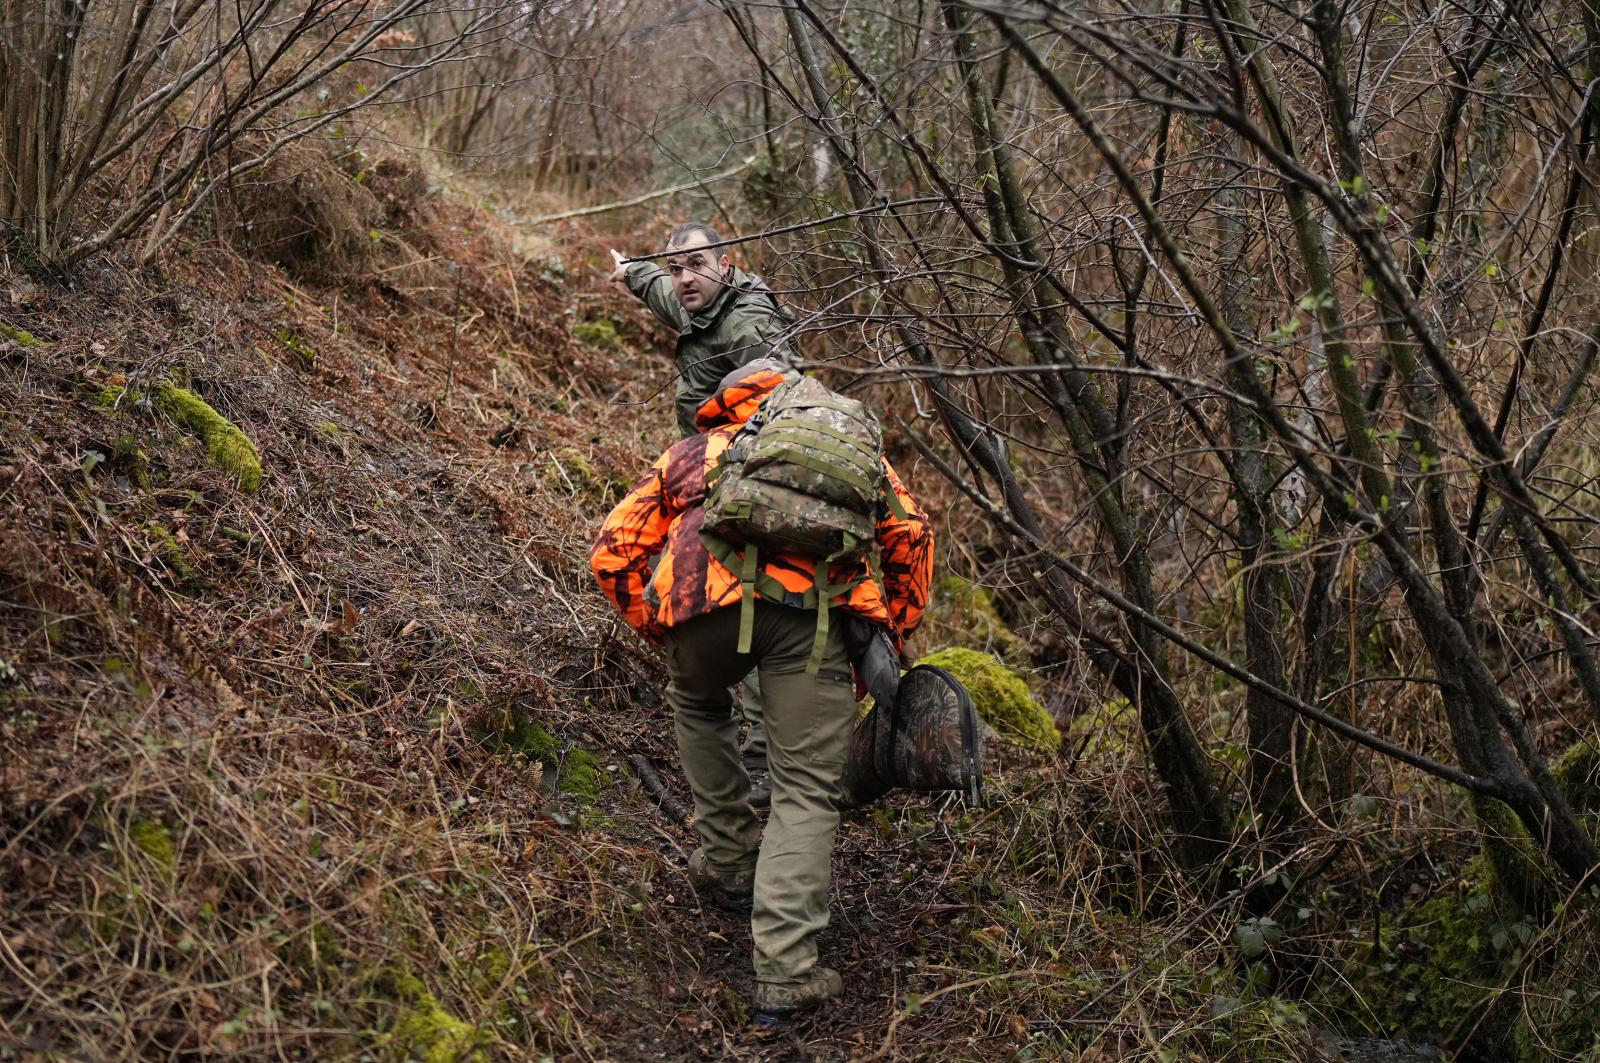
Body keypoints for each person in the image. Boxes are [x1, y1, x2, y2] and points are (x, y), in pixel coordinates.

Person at [589, 360, 933, 1021]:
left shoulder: (695, 451)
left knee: (698, 701)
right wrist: (888, 638)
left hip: (700, 606)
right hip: (816, 619)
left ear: (727, 402)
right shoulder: (850, 452)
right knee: (806, 786)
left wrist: (660, 625)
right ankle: (784, 972)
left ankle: (727, 861)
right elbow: (911, 536)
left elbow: (611, 550)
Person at [609, 222, 797, 805]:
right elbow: (666, 295)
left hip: (755, 482)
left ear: (726, 262)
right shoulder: (701, 299)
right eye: (675, 266)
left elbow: (784, 398)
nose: (684, 278)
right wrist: (630, 272)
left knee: (756, 602)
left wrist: (745, 473)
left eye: (695, 264)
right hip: (711, 472)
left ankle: (766, 765)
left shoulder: (748, 327)